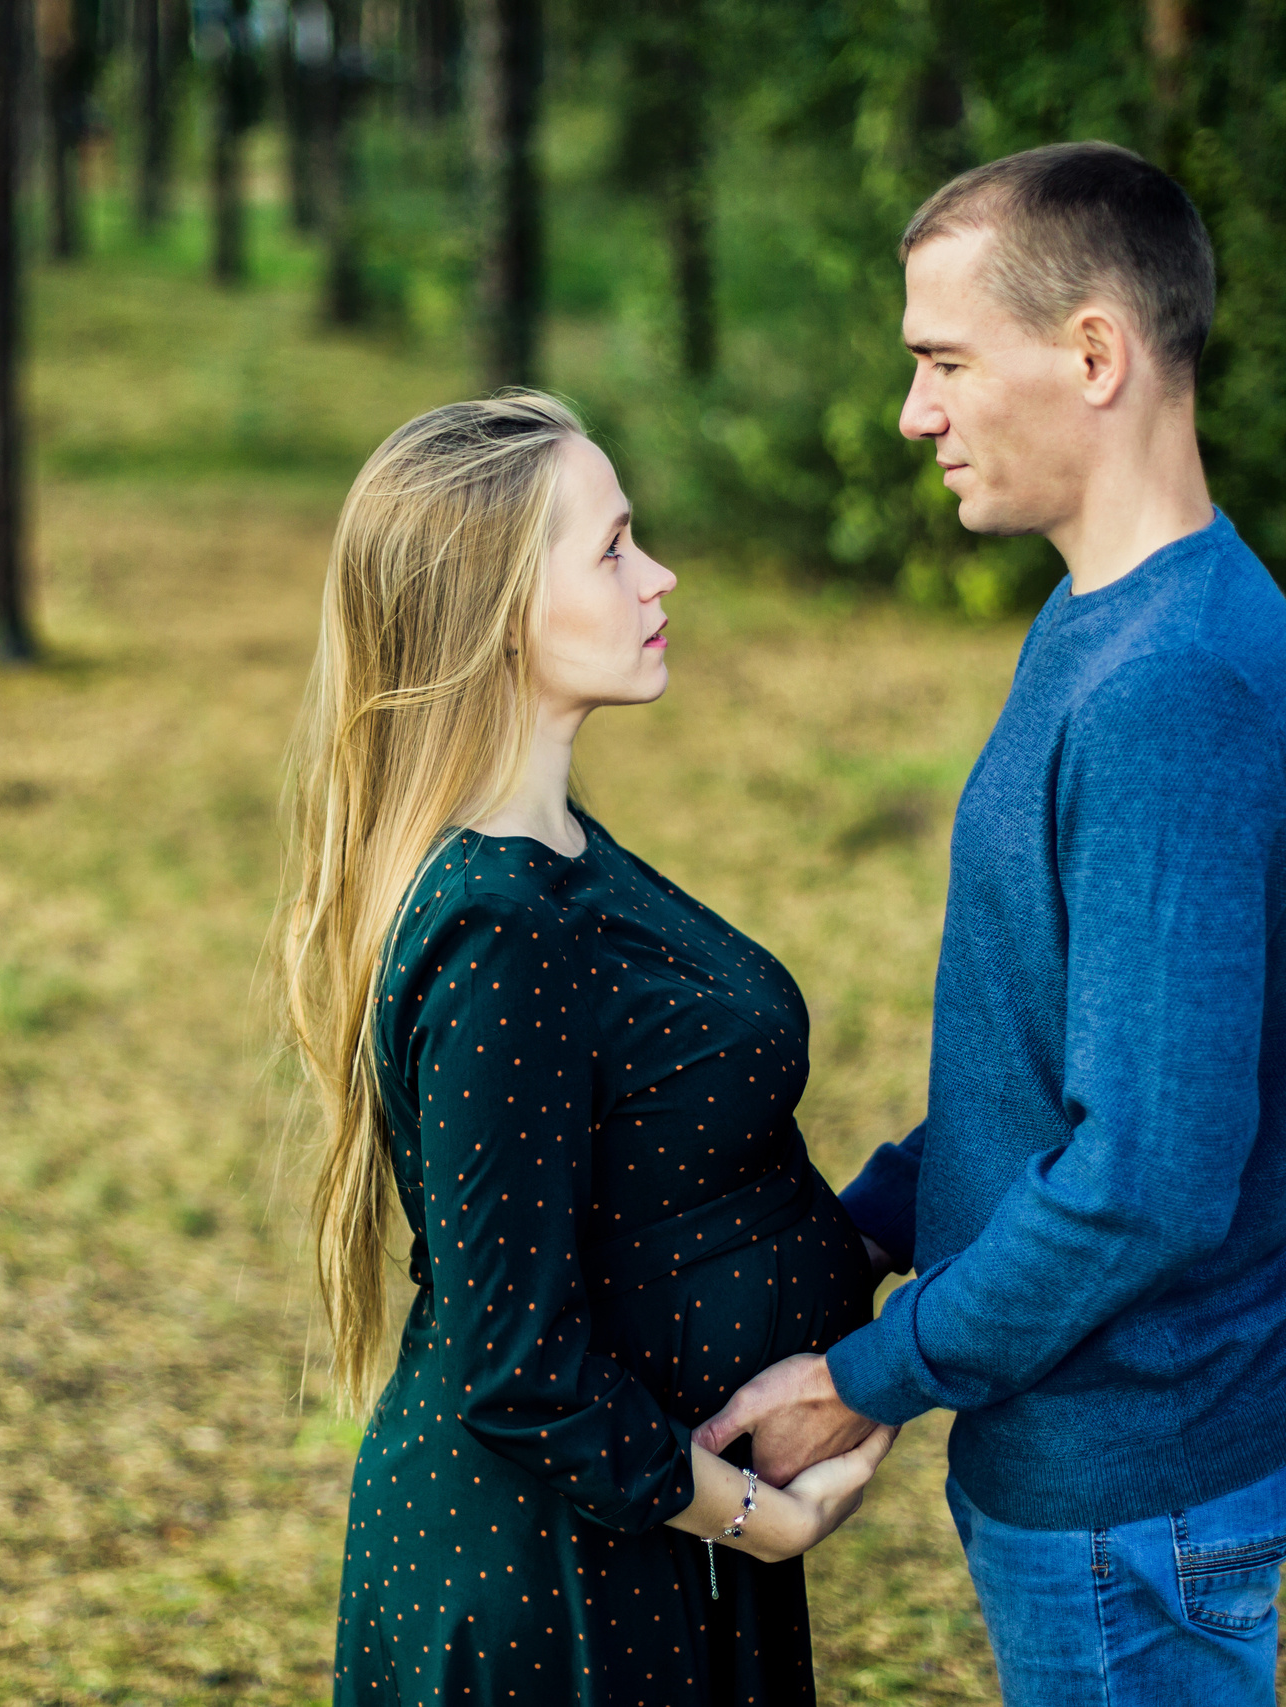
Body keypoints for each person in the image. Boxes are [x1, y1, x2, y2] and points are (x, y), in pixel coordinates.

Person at [698, 141, 1286, 1705]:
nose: (915, 413)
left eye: (942, 362)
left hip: (1137, 1487)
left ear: (1094, 355)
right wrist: (847, 1231)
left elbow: (1143, 1179)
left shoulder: (1172, 694)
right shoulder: (1101, 622)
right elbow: (1050, 1057)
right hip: (1109, 1467)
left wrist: (869, 1381)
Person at [278, 393, 898, 1706]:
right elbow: (517, 1368)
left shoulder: (558, 850)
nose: (658, 573)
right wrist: (761, 1519)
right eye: (614, 548)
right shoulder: (498, 931)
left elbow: (676, 1189)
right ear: (503, 610)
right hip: (551, 1589)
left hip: (638, 1545)